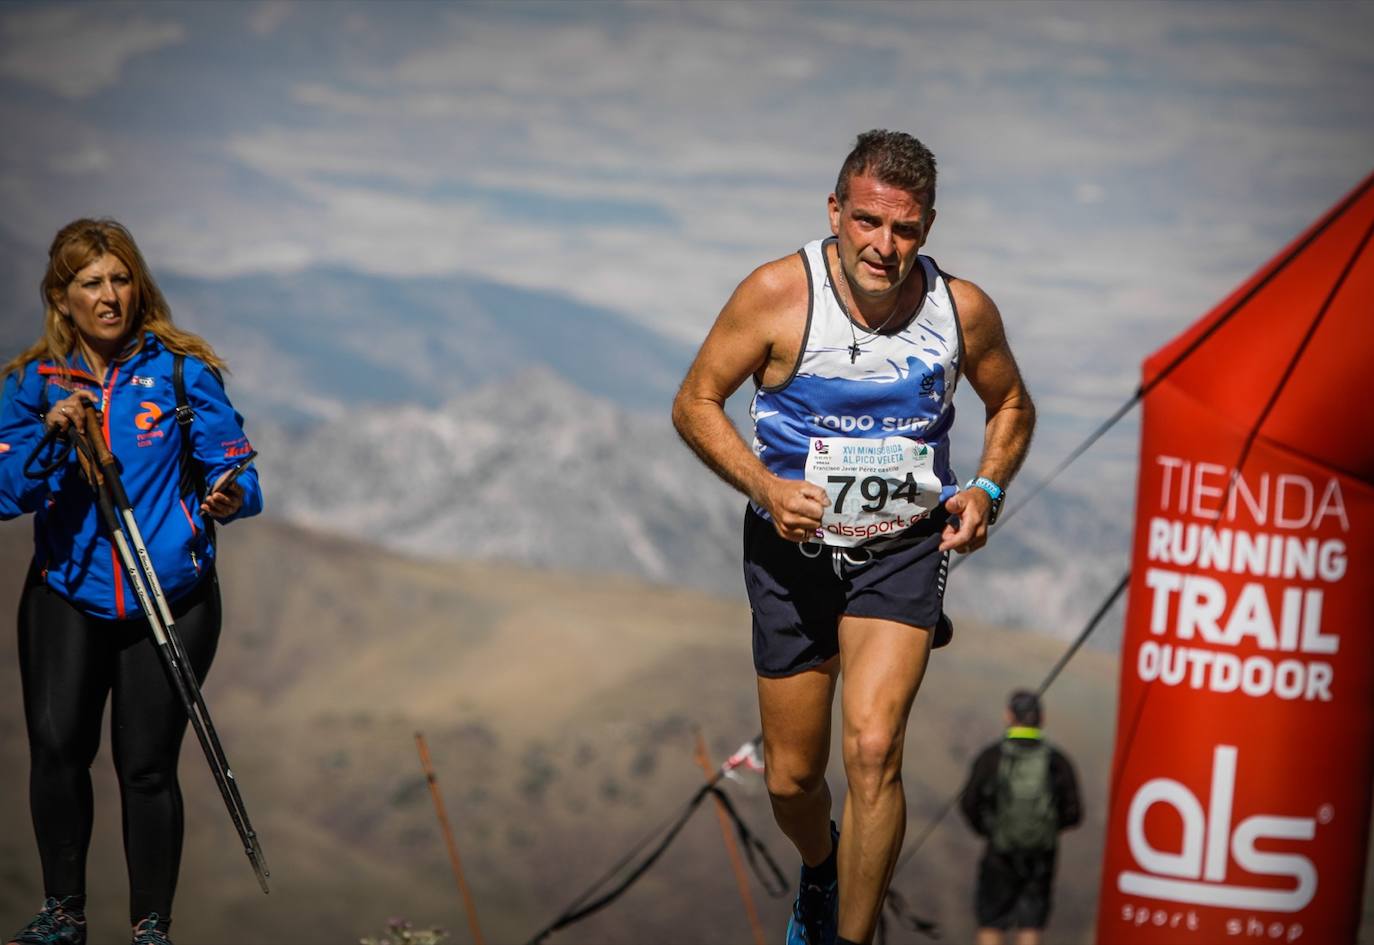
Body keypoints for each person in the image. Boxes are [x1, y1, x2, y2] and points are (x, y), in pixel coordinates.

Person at [672, 130, 1036, 945]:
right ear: (836, 211)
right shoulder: (776, 294)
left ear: (929, 226)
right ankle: (820, 869)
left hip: (903, 547)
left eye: (905, 229)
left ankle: (850, 937)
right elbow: (695, 401)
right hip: (789, 549)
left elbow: (1011, 404)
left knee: (873, 747)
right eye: (868, 222)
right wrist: (765, 485)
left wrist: (985, 487)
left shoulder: (959, 310)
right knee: (796, 779)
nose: (884, 246)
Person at [0, 219, 263, 945]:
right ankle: (63, 915)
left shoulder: (182, 371)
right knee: (56, 747)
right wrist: (54, 434)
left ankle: (151, 928)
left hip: (171, 597)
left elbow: (238, 472)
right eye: (91, 283)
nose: (110, 295)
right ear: (62, 296)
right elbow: (2, 492)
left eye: (121, 278)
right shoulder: (31, 384)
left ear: (138, 284)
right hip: (66, 590)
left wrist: (230, 495)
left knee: (144, 764)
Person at [959, 690, 1082, 945]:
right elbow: (1074, 812)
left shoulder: (991, 757)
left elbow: (969, 802)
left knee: (991, 922)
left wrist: (991, 830)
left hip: (999, 853)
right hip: (1041, 855)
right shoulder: (1057, 761)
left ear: (1008, 716)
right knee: (1031, 924)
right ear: (1042, 718)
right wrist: (1045, 829)